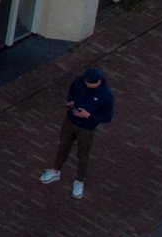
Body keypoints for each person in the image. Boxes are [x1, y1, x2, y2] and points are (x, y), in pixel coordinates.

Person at [41, 65, 114, 199]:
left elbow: (107, 117)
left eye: (89, 83)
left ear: (98, 81)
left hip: (86, 128)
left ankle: (79, 181)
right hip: (70, 121)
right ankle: (55, 171)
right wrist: (71, 101)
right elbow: (72, 91)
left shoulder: (106, 96)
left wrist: (89, 116)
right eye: (85, 82)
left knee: (83, 154)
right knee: (63, 146)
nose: (86, 85)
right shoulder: (79, 81)